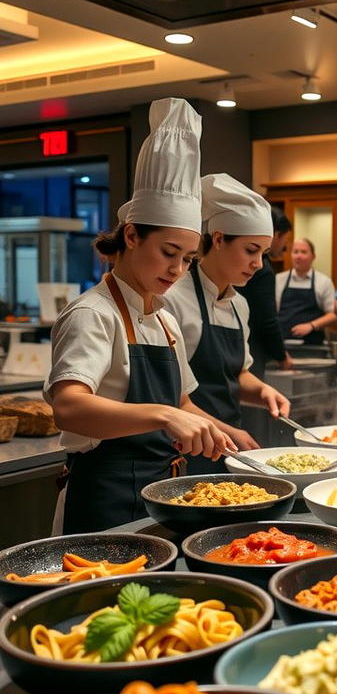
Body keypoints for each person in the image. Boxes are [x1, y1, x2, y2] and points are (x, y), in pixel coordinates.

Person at [45, 98, 237, 535]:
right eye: (168, 253)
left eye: (188, 259)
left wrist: (223, 433)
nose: (177, 269)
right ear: (131, 235)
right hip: (104, 502)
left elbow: (182, 401)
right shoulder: (93, 313)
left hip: (163, 497)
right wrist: (163, 416)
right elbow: (69, 407)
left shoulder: (164, 318)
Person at [163, 173, 290, 474]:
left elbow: (236, 374)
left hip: (227, 450)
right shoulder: (173, 299)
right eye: (251, 250)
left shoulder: (238, 304)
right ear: (218, 239)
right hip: (184, 452)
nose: (258, 264)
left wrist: (262, 392)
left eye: (263, 253)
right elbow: (172, 397)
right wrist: (229, 433)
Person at [241, 206, 293, 377]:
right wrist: (281, 355)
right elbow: (267, 320)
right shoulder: (263, 271)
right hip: (251, 349)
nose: (256, 263)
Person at [275, 237, 337, 344]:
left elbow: (333, 315)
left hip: (313, 346)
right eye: (295, 252)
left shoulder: (324, 282)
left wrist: (311, 325)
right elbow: (273, 312)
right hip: (283, 345)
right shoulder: (278, 279)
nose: (298, 256)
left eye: (303, 252)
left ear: (313, 256)